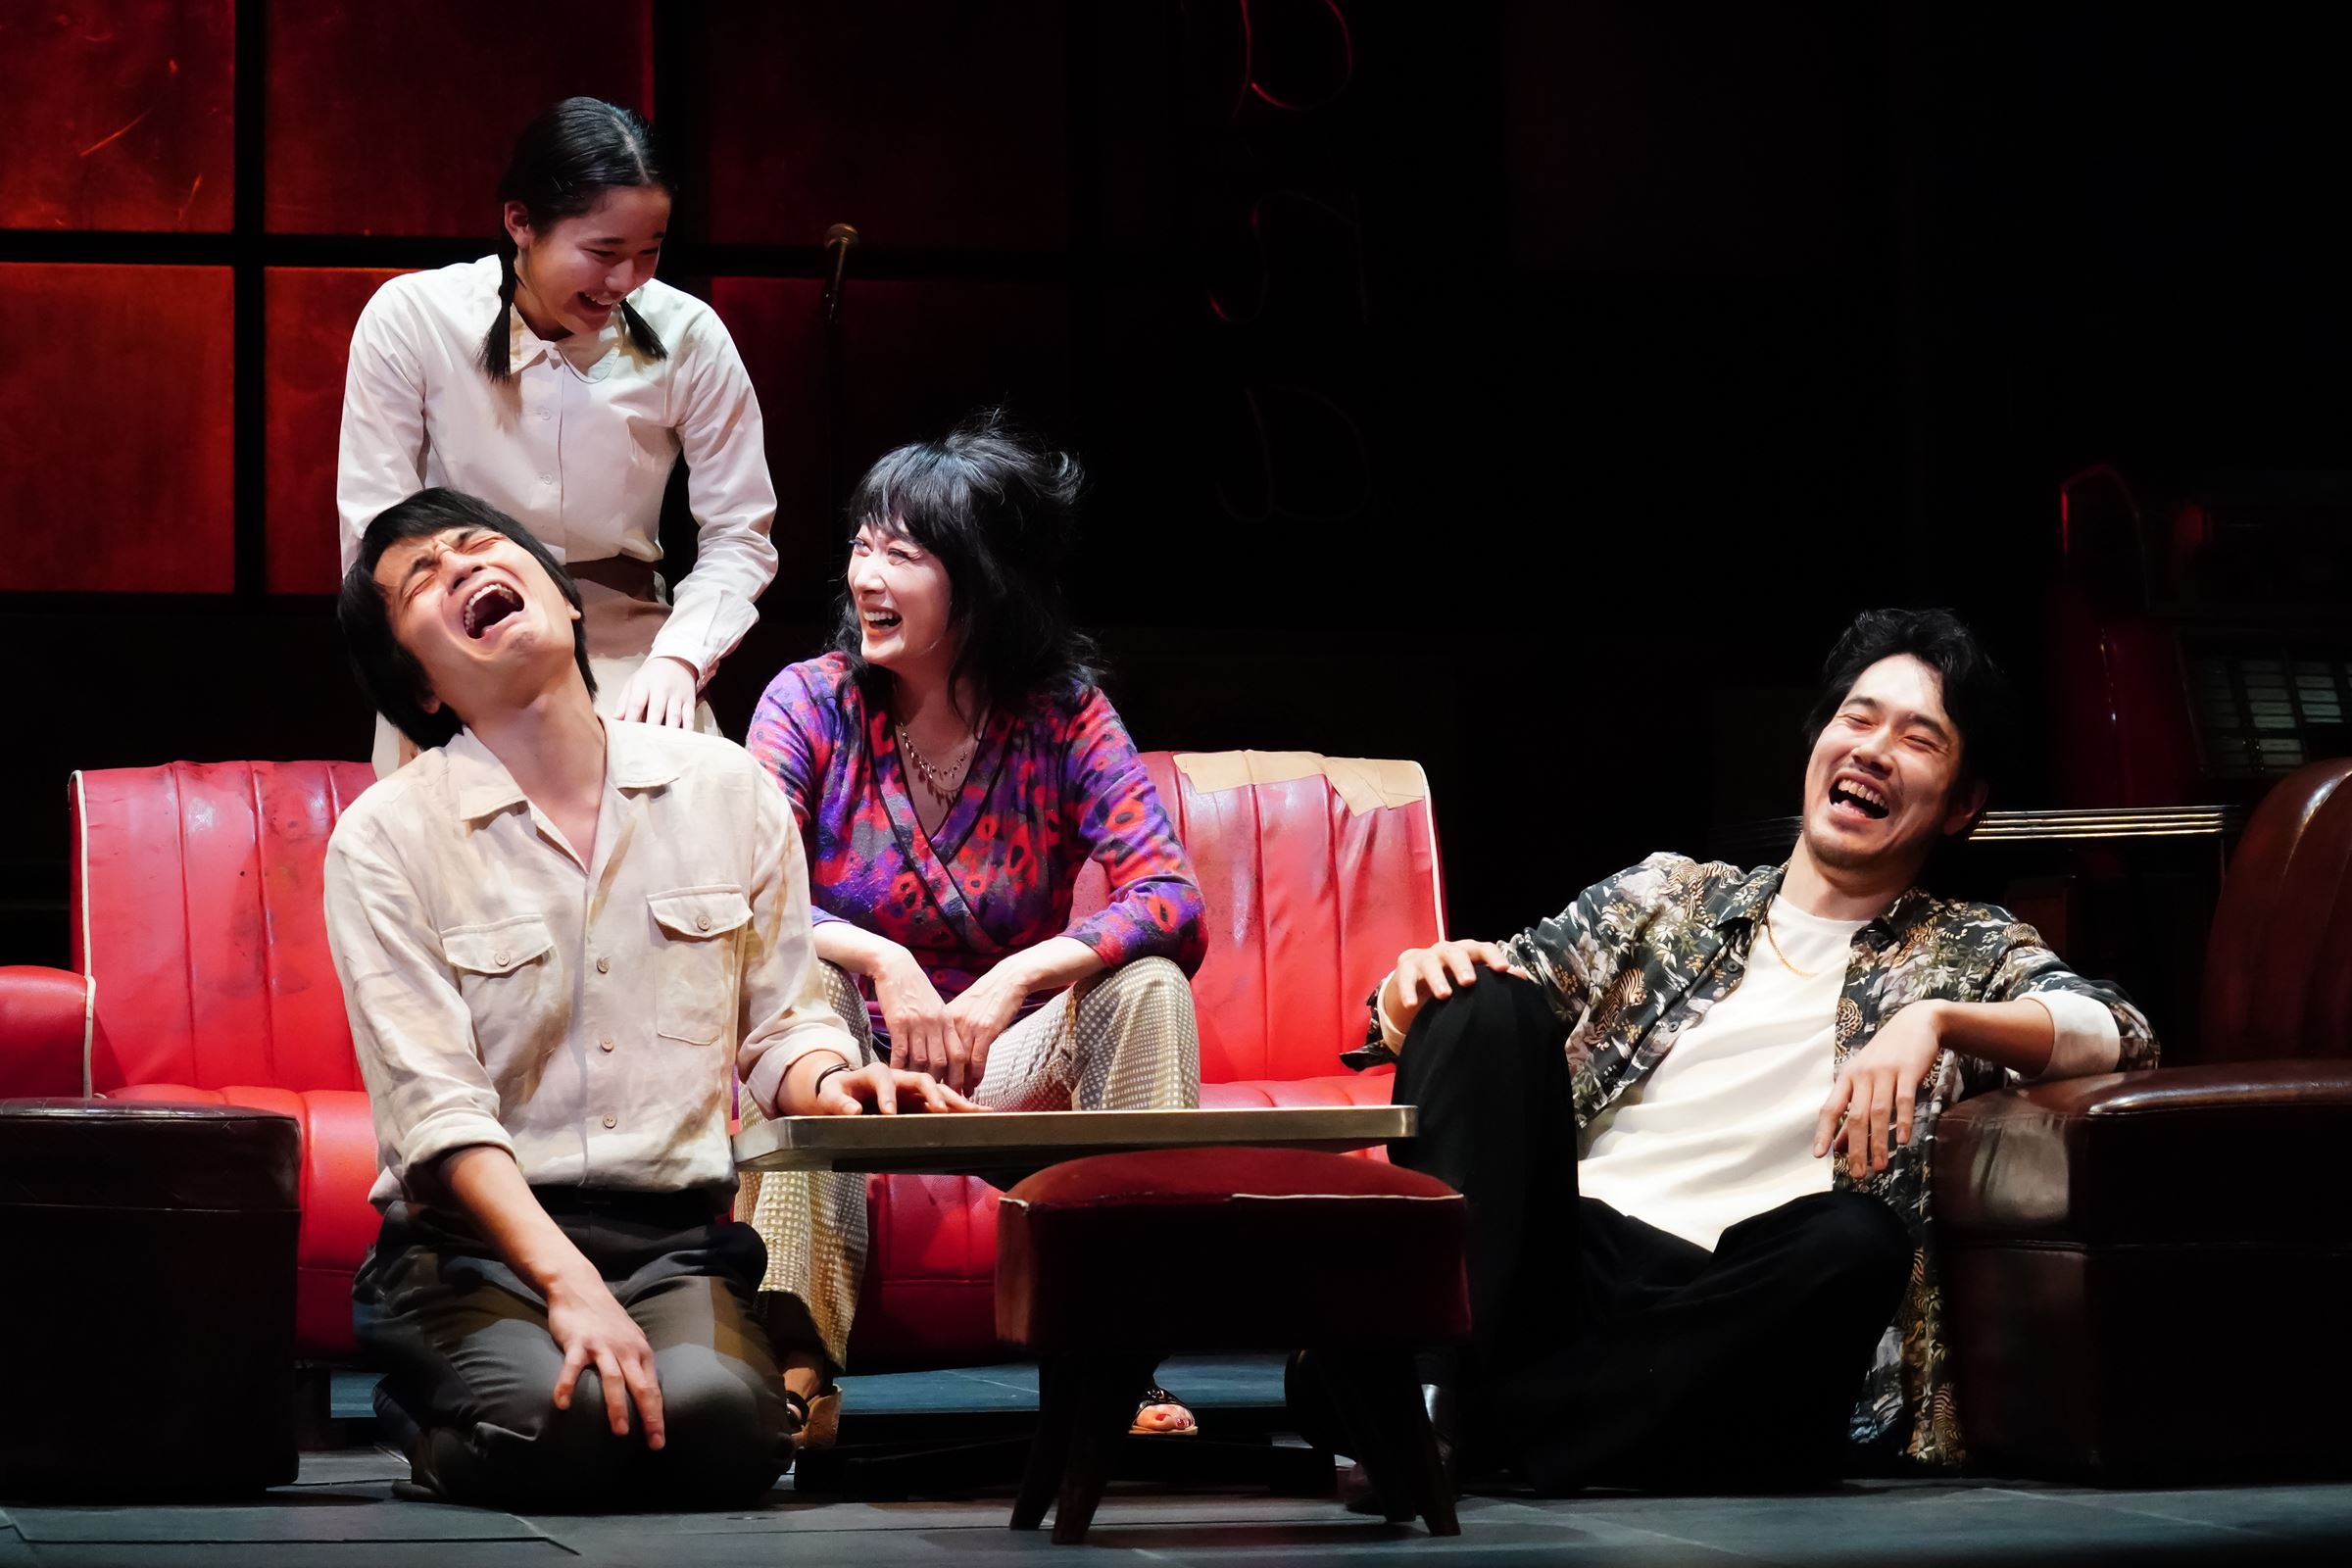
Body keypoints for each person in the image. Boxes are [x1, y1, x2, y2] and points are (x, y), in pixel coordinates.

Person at [1340, 609, 2157, 1494]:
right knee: (1483, 997)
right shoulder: (1667, 898)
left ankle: (1447, 1420)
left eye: (1918, 739)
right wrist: (1414, 989)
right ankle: (1447, 1391)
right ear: (1817, 743)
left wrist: (1938, 1021)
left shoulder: (1967, 953)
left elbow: (2123, 1031)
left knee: (1855, 1242)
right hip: (1571, 1263)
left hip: (1739, 1305)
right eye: (1857, 718)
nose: (1873, 750)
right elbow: (1472, 1014)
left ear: (1962, 804)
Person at [324, 488, 973, 1509]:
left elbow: (784, 1024)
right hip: (474, 1248)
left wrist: (834, 1082)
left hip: (671, 1241)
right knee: (563, 1428)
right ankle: (423, 1411)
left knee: (728, 1431)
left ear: (566, 599)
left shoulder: (727, 789)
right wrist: (569, 1287)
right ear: (421, 687)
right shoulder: (387, 839)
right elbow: (434, 1112)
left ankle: (656, 1370)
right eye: (421, 582)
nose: (459, 567)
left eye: (477, 545)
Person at [735, 412, 1208, 1442]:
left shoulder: (1063, 716)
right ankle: (795, 1362)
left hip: (1005, 1057)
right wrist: (882, 958)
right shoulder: (811, 703)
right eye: (862, 545)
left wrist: (1016, 978)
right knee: (801, 981)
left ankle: (1117, 1357)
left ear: (983, 580)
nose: (867, 575)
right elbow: (744, 891)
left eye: (902, 555)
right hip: (846, 1058)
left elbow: (1170, 895)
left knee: (1150, 985)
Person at [338, 96, 778, 776]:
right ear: (520, 221)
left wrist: (680, 657)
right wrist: (433, 674)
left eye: (649, 252)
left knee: (685, 801)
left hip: (628, 639)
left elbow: (739, 534)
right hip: (459, 640)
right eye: (603, 253)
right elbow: (377, 532)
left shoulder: (690, 334)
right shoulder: (413, 318)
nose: (625, 281)